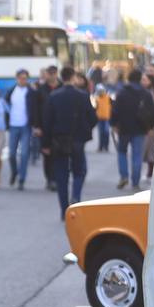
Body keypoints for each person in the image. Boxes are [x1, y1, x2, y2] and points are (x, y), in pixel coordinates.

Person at [42, 66, 98, 217]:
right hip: (78, 138)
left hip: (59, 139)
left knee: (61, 174)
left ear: (61, 77)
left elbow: (47, 122)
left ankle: (63, 209)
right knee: (79, 171)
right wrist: (85, 129)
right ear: (73, 77)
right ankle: (76, 198)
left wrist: (45, 144)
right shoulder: (82, 95)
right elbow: (93, 118)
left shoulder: (54, 96)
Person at [111, 69, 153, 190]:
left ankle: (124, 176)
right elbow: (152, 112)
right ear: (140, 79)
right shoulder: (145, 93)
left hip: (124, 128)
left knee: (122, 152)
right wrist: (150, 127)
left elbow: (115, 110)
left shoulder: (121, 92)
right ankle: (135, 181)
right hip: (140, 128)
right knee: (137, 155)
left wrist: (114, 124)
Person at [4, 69, 41, 189]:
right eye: (21, 78)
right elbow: (5, 107)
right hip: (13, 125)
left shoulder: (31, 92)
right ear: (17, 78)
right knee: (12, 154)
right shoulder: (11, 91)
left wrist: (36, 125)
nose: (23, 80)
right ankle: (14, 171)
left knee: (25, 153)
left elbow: (36, 110)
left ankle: (21, 179)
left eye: (25, 78)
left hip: (26, 126)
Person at [36, 65, 59, 190]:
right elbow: (36, 110)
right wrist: (37, 126)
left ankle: (56, 178)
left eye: (54, 73)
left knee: (58, 154)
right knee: (47, 154)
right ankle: (50, 179)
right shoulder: (41, 90)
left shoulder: (61, 87)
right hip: (45, 126)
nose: (52, 75)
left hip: (59, 126)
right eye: (50, 73)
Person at [94, 83, 112, 152]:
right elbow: (95, 108)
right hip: (99, 118)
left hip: (107, 118)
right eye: (99, 91)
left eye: (101, 90)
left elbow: (112, 107)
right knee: (101, 133)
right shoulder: (97, 99)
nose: (100, 92)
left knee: (106, 132)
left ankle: (106, 147)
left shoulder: (108, 98)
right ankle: (100, 147)